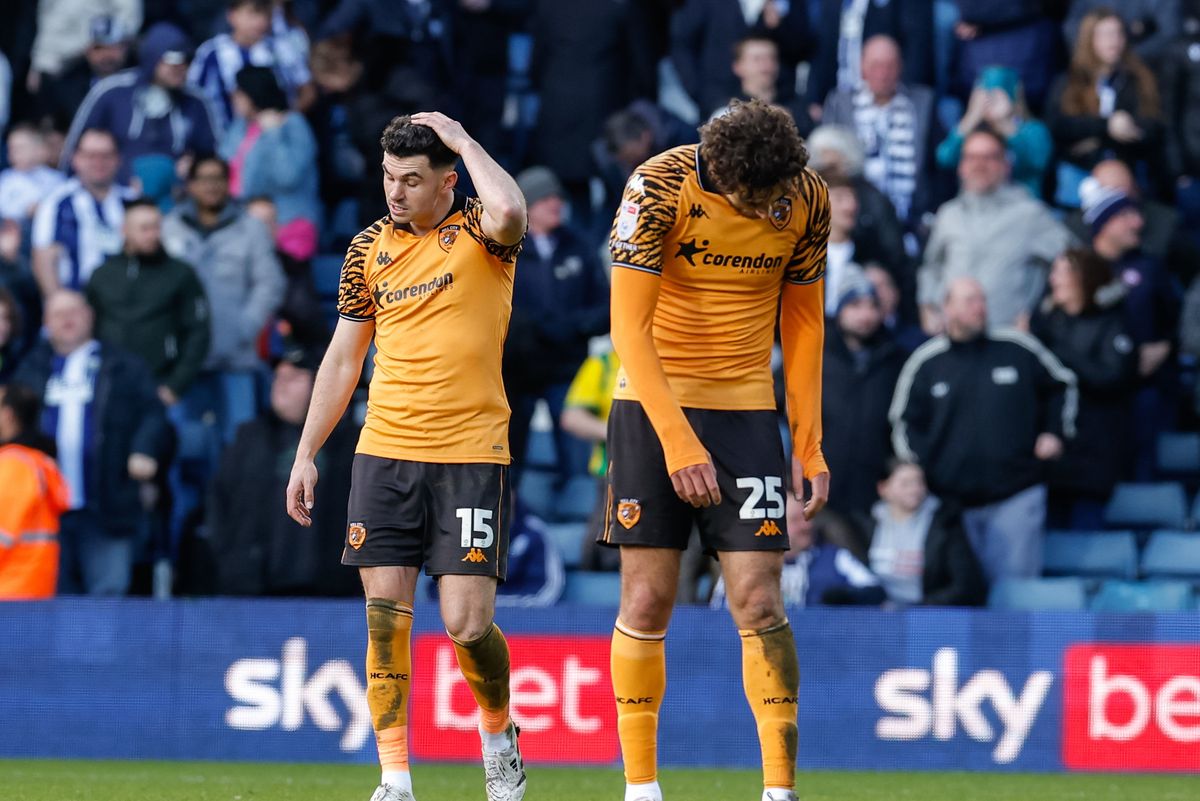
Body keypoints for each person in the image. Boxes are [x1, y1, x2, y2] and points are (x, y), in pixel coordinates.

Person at [284, 113, 527, 801]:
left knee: (467, 625)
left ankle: (497, 730)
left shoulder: (484, 233)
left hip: (471, 454)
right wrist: (307, 452)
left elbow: (510, 206)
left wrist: (464, 136)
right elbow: (342, 358)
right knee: (385, 619)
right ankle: (395, 777)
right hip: (384, 451)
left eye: (412, 179)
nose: (395, 191)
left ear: (449, 180)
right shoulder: (366, 248)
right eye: (389, 176)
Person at [602, 99, 829, 801]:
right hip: (652, 404)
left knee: (759, 600)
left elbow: (805, 323)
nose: (764, 208)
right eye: (748, 197)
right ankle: (642, 788)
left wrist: (809, 445)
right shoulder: (657, 186)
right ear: (718, 169)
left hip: (745, 413)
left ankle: (779, 790)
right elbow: (627, 329)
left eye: (773, 197)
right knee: (646, 598)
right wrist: (677, 442)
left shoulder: (808, 196)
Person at [889, 277, 1077, 582]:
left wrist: (1054, 431)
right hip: (950, 502)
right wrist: (924, 468)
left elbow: (1063, 384)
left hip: (1016, 494)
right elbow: (903, 421)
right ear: (946, 308)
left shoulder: (1018, 347)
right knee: (961, 596)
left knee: (1015, 594)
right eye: (968, 301)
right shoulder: (926, 361)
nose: (979, 308)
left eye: (981, 300)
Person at [14, 290, 170, 596]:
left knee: (108, 598)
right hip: (44, 511)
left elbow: (154, 413)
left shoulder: (124, 366)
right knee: (48, 601)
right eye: (58, 314)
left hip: (107, 504)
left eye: (74, 310)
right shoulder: (30, 368)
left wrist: (143, 449)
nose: (67, 319)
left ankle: (103, 648)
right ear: (46, 323)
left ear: (90, 316)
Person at [209, 346, 359, 597]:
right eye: (278, 376)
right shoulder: (249, 438)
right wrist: (232, 561)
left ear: (321, 383)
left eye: (293, 378)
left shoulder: (352, 442)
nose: (281, 384)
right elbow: (218, 501)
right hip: (255, 588)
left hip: (334, 593)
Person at [160, 155, 285, 444]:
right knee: (183, 446)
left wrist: (246, 325)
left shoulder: (250, 227)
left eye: (218, 179)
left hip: (235, 358)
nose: (211, 186)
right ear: (190, 185)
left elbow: (270, 282)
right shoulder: (171, 226)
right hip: (182, 361)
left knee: (239, 443)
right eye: (203, 179)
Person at [504, 166, 608, 484]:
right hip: (516, 372)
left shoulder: (580, 246)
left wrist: (573, 327)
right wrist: (530, 329)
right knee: (507, 459)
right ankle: (512, 525)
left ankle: (577, 525)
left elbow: (607, 308)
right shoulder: (506, 248)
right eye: (546, 199)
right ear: (527, 206)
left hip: (568, 370)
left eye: (558, 198)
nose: (556, 204)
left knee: (577, 462)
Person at [918, 127, 1072, 333]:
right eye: (971, 157)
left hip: (1006, 339)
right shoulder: (948, 214)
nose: (979, 165)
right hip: (953, 339)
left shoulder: (1029, 214)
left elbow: (1074, 264)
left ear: (1006, 165)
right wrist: (927, 306)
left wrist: (1042, 311)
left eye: (989, 157)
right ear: (961, 166)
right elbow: (931, 267)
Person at [1032, 248, 1137, 529]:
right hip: (1053, 457)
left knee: (1085, 541)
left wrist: (1057, 349)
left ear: (1083, 278)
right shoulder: (1048, 322)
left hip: (1095, 453)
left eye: (1061, 272)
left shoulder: (1112, 322)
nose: (1053, 280)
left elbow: (1111, 378)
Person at [1082, 181, 1180, 480]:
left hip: (1145, 387)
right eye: (1126, 216)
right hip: (1094, 393)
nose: (1138, 222)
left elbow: (1175, 318)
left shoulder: (1151, 266)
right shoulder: (1079, 267)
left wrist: (1165, 345)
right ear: (1104, 223)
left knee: (1145, 467)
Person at [59, 23, 220, 191]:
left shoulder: (197, 101)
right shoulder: (112, 92)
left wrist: (193, 169)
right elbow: (75, 148)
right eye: (173, 60)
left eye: (187, 59)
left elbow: (212, 157)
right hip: (114, 197)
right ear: (153, 57)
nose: (180, 67)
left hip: (175, 201)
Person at [85, 199, 211, 407]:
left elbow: (198, 333)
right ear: (125, 230)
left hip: (160, 383)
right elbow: (90, 329)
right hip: (110, 383)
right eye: (144, 228)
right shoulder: (102, 275)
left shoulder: (180, 273)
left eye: (156, 227)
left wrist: (175, 386)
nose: (152, 235)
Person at [1045, 8, 1164, 198]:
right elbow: (1058, 125)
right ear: (1089, 39)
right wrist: (1107, 126)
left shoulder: (1138, 79)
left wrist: (1101, 137)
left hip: (1127, 174)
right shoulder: (1069, 82)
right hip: (1079, 174)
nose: (1114, 41)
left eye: (1119, 33)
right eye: (1106, 34)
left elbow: (1153, 125)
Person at [821, 35, 937, 228]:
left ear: (900, 67)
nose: (883, 74)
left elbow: (936, 164)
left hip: (913, 217)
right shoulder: (840, 103)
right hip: (857, 219)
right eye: (876, 65)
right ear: (862, 68)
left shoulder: (922, 103)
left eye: (890, 66)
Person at [822, 268, 905, 518]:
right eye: (855, 305)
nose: (865, 315)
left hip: (873, 493)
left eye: (872, 306)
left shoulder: (895, 358)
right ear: (839, 310)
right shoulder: (814, 353)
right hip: (818, 489)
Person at [218, 65, 320, 262]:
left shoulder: (292, 124)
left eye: (238, 92)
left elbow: (287, 177)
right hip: (244, 221)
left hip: (288, 225)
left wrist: (273, 134)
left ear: (253, 92)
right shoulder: (240, 126)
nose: (233, 98)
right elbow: (224, 166)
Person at [710, 494, 884, 610]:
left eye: (807, 518)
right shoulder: (743, 567)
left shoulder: (835, 558)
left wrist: (843, 598)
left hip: (824, 656)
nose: (807, 526)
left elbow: (875, 591)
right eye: (795, 520)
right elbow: (718, 618)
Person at [857, 459, 986, 607]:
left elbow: (966, 585)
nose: (914, 489)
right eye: (905, 483)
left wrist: (917, 607)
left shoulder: (945, 523)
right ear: (883, 488)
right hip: (873, 614)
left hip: (925, 616)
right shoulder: (865, 524)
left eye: (919, 482)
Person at [31, 128, 136, 295]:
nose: (98, 162)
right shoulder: (56, 203)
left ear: (118, 159)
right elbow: (44, 258)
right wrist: (58, 301)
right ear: (76, 159)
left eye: (106, 155)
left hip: (127, 302)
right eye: (91, 155)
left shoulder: (132, 201)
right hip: (77, 302)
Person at [669, 1, 813, 119]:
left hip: (780, 100)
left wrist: (780, 26)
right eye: (757, 59)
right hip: (719, 98)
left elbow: (805, 47)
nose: (764, 65)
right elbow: (682, 43)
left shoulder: (785, 6)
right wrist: (699, 93)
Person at [189, 0, 315, 132]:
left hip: (276, 138)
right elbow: (193, 94)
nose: (259, 21)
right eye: (252, 14)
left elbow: (308, 89)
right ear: (232, 15)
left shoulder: (282, 49)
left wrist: (286, 117)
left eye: (265, 14)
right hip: (225, 140)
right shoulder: (211, 53)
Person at [936, 65, 1053, 198]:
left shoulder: (1033, 129)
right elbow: (945, 158)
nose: (991, 102)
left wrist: (1005, 123)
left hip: (1021, 206)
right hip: (977, 208)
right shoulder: (974, 133)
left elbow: (1036, 163)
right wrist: (971, 116)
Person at [807, 0, 934, 119]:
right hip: (840, 101)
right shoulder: (833, 4)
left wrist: (905, 97)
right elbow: (823, 51)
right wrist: (816, 98)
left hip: (886, 101)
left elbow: (916, 49)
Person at [0, 383, 70, 599]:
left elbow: (3, 535)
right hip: (29, 592)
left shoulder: (13, 466)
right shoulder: (36, 461)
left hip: (10, 595)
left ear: (8, 415)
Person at [561, 346, 622, 572]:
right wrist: (620, 431)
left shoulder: (672, 358)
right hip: (612, 474)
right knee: (603, 545)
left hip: (668, 472)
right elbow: (572, 417)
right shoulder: (603, 364)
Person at [0, 123, 66, 223]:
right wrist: (25, 210)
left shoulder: (55, 178)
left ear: (39, 149)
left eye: (20, 148)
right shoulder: (6, 179)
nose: (14, 153)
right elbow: (4, 207)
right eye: (11, 149)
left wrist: (42, 209)